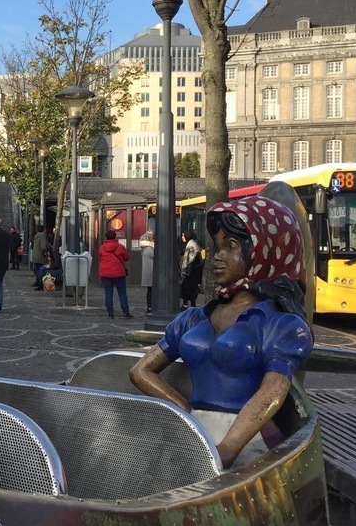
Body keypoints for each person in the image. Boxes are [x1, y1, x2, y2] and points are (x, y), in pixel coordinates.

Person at [129, 197, 313, 468]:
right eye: (217, 245)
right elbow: (140, 371)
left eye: (232, 246)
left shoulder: (281, 326)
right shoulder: (194, 318)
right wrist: (185, 410)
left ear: (265, 251)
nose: (217, 255)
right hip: (194, 435)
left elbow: (272, 392)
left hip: (249, 442)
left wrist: (228, 447)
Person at [98, 230, 132, 319]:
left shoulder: (102, 248)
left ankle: (110, 312)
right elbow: (127, 257)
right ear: (115, 237)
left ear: (106, 237)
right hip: (119, 273)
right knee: (122, 293)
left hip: (105, 273)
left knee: (108, 293)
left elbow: (100, 258)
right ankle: (125, 311)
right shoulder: (120, 247)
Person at [179, 230, 203, 308]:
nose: (182, 237)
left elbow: (191, 260)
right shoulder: (192, 244)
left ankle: (188, 305)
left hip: (192, 272)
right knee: (187, 288)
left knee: (188, 288)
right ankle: (187, 304)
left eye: (183, 235)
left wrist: (187, 273)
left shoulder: (191, 246)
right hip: (193, 271)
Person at [139, 226, 155, 313]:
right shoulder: (150, 249)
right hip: (152, 272)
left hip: (148, 273)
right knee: (152, 291)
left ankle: (149, 307)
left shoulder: (144, 248)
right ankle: (150, 307)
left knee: (149, 291)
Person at [30, 224, 49, 289]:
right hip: (40, 255)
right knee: (41, 269)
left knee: (36, 268)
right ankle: (40, 283)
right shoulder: (42, 236)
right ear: (43, 230)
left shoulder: (35, 236)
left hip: (35, 255)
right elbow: (43, 246)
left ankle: (37, 281)